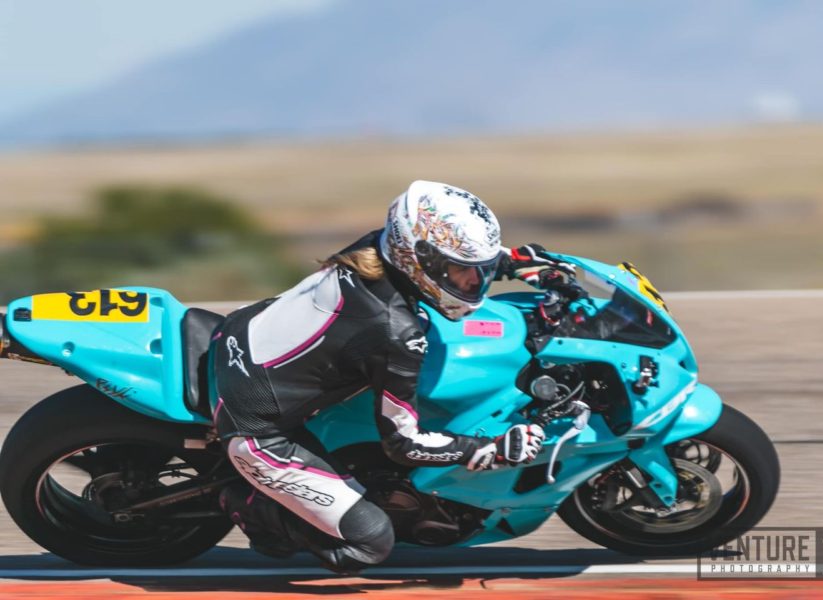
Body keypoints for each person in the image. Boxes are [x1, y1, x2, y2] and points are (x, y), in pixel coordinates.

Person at [211, 180, 574, 572]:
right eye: (463, 271)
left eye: (479, 270)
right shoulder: (395, 332)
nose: (474, 283)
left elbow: (443, 256)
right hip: (258, 430)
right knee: (371, 543)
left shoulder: (378, 247)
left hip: (241, 335)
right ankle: (255, 509)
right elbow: (403, 444)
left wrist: (512, 261)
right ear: (420, 260)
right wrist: (487, 449)